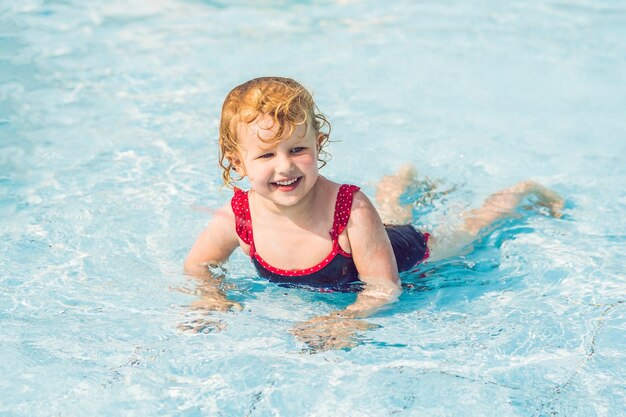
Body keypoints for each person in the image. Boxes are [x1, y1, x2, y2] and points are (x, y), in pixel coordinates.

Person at [184, 76, 563, 350]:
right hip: (370, 242)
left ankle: (519, 194)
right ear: (237, 163)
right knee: (394, 212)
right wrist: (211, 296)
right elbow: (198, 266)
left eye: (297, 149)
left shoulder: (352, 210)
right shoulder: (239, 216)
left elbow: (383, 288)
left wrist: (345, 319)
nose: (285, 167)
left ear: (318, 144)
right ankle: (401, 180)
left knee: (466, 233)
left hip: (406, 253)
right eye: (266, 155)